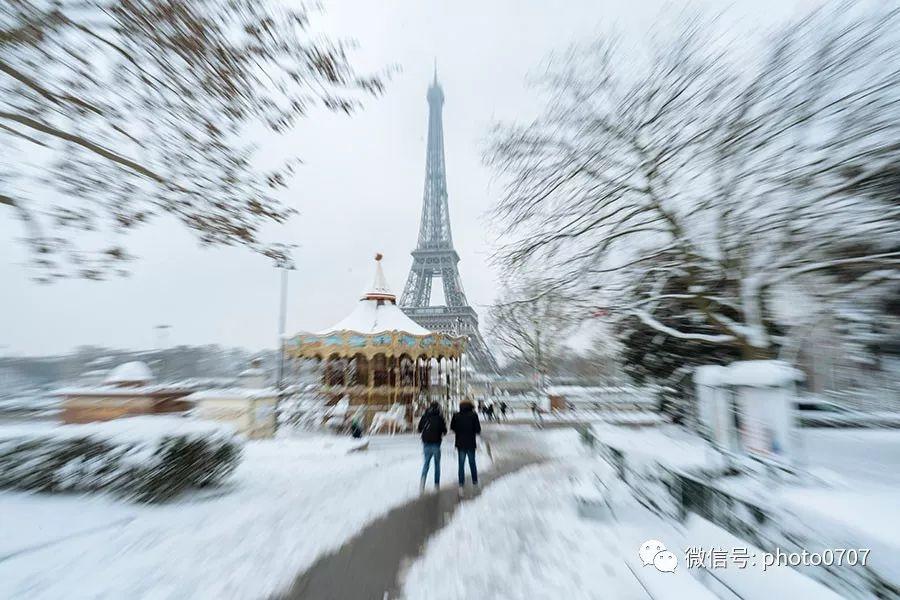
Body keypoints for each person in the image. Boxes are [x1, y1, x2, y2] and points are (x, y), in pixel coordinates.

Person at [450, 399, 481, 494]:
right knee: (472, 462)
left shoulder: (456, 415)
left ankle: (461, 483)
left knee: (461, 464)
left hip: (460, 443)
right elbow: (478, 429)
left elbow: (452, 428)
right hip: (471, 443)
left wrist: (459, 431)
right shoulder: (474, 415)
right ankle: (475, 481)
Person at [417, 401, 447, 492]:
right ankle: (436, 485)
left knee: (426, 464)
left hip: (426, 444)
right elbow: (444, 431)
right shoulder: (440, 418)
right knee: (437, 465)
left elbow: (419, 429)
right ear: (438, 408)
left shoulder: (424, 416)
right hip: (436, 444)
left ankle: (422, 484)